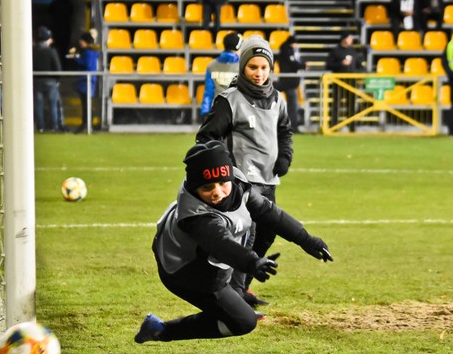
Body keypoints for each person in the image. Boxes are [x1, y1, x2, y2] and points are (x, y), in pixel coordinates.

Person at [134, 140, 333, 343]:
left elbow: (268, 212)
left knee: (248, 223)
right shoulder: (196, 217)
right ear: (195, 188)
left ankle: (235, 298)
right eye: (207, 187)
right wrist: (252, 262)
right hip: (185, 270)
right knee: (243, 322)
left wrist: (307, 240)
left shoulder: (236, 182)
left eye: (222, 183)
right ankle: (161, 330)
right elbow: (220, 245)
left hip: (200, 254)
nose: (218, 192)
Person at [196, 35, 294, 300]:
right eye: (253, 67)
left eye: (264, 67)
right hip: (242, 182)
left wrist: (285, 157)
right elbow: (206, 137)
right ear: (243, 67)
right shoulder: (229, 100)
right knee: (246, 236)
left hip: (269, 180)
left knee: (266, 235)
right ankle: (234, 295)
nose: (259, 73)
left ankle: (243, 286)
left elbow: (285, 132)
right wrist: (225, 170)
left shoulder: (278, 99)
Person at [200, 32, 241, 118]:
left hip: (217, 110)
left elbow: (209, 91)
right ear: (237, 47)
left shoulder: (212, 65)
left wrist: (205, 111)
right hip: (237, 110)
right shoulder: (243, 66)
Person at [32, 26, 64, 133]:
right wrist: (57, 80)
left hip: (36, 81)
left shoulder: (33, 52)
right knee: (53, 105)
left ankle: (40, 127)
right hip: (50, 81)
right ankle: (54, 126)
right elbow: (57, 67)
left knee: (39, 105)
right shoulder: (51, 51)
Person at [66, 31, 99, 128]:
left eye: (82, 40)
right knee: (86, 103)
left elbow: (87, 64)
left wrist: (76, 58)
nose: (80, 42)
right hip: (88, 81)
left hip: (85, 81)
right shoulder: (93, 52)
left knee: (86, 104)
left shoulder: (88, 52)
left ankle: (86, 124)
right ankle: (87, 124)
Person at [276, 35, 308, 132]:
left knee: (290, 105)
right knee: (292, 106)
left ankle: (287, 126)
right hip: (289, 82)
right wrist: (303, 65)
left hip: (286, 81)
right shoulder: (288, 52)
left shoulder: (284, 51)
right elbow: (293, 64)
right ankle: (293, 126)